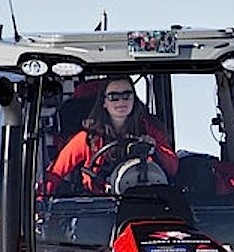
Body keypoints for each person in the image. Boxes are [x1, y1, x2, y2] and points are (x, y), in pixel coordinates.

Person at [45, 77, 179, 194]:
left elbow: (172, 167)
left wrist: (155, 149)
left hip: (144, 202)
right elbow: (56, 172)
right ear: (104, 102)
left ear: (134, 99)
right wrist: (39, 204)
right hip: (100, 206)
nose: (121, 102)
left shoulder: (150, 130)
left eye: (126, 95)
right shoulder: (88, 138)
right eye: (113, 97)